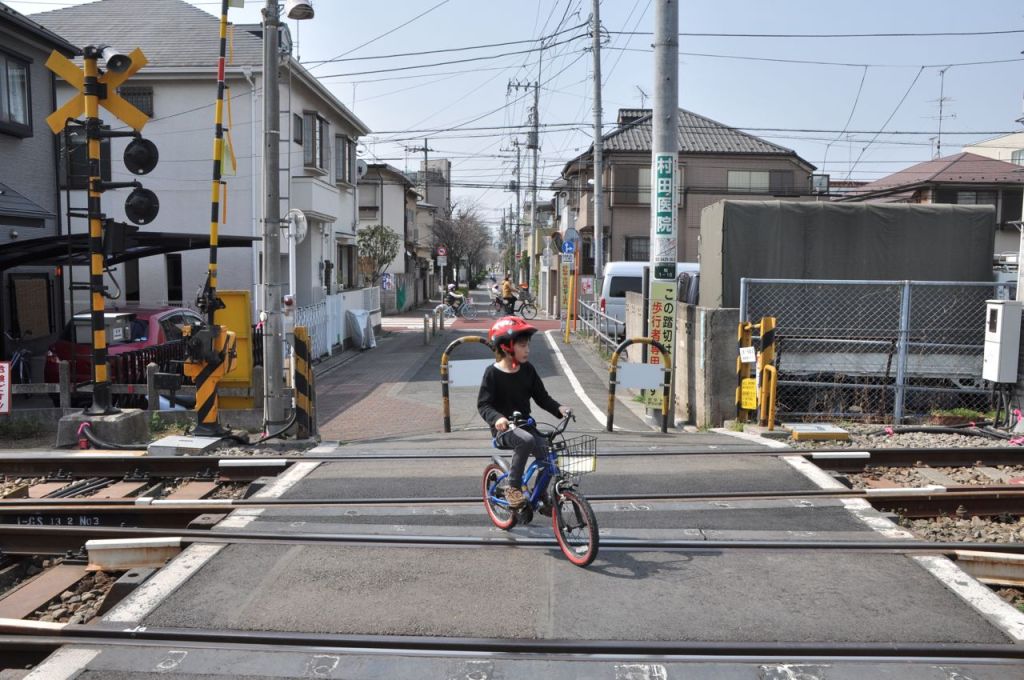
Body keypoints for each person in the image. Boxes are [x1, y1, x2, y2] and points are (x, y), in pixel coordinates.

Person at [478, 316, 571, 508]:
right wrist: (498, 418)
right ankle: (513, 488)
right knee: (526, 441)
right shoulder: (492, 373)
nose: (527, 349)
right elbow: (484, 405)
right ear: (505, 347)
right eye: (522, 345)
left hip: (526, 425)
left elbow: (542, 397)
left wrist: (559, 409)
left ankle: (540, 494)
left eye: (527, 345)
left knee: (548, 456)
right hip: (504, 430)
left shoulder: (527, 370)